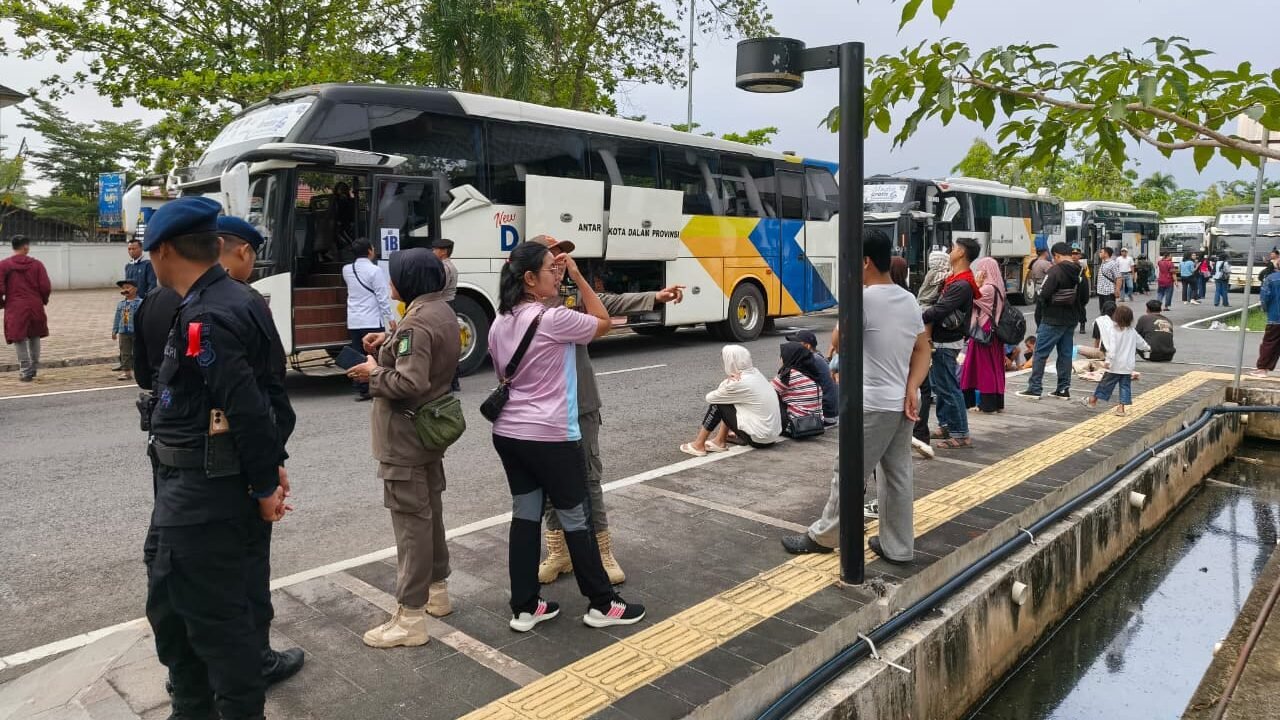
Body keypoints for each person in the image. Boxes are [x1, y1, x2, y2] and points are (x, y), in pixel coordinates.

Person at [140, 197, 296, 720]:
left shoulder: (209, 312)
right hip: (199, 484)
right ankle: (190, 707)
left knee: (212, 622)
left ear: (163, 250)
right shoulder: (233, 298)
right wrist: (270, 466)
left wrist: (263, 486)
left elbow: (250, 407)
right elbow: (274, 395)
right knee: (177, 607)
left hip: (204, 492)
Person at [489, 241, 646, 632]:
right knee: (577, 518)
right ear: (529, 279)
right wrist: (578, 275)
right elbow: (603, 320)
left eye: (560, 270)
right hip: (552, 437)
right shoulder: (552, 318)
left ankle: (525, 607)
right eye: (550, 269)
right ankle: (603, 604)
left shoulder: (498, 322)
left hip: (509, 433)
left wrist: (565, 277)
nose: (556, 274)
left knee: (525, 517)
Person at [531, 235, 684, 586]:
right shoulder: (523, 303)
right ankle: (559, 551)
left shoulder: (572, 292)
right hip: (544, 407)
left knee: (588, 477)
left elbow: (607, 303)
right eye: (552, 257)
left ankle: (602, 551)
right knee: (550, 482)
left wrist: (654, 297)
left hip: (580, 402)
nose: (560, 262)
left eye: (562, 256)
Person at [780, 227, 930, 562]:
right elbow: (923, 350)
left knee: (848, 472)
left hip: (872, 405)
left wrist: (848, 301)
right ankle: (899, 546)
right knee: (897, 475)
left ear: (864, 262)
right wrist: (912, 386)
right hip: (902, 402)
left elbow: (839, 341)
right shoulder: (908, 299)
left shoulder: (861, 300)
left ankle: (825, 536)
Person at [345, 248, 460, 647]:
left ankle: (410, 619)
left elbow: (410, 382)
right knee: (431, 515)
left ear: (408, 279)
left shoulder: (417, 322)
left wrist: (374, 372)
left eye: (392, 274)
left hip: (405, 438)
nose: (388, 281)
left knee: (411, 527)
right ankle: (437, 592)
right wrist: (387, 342)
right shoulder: (442, 310)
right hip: (429, 433)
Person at [921, 237, 979, 449]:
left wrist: (918, 316)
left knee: (948, 388)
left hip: (946, 341)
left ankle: (960, 433)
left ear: (962, 253)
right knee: (942, 386)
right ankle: (946, 425)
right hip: (944, 339)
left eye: (954, 248)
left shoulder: (962, 284)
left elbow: (939, 310)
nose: (950, 251)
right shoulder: (956, 279)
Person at [1018, 242, 1089, 401]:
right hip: (1071, 319)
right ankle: (1063, 389)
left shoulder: (1055, 271)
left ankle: (1034, 388)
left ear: (1056, 255)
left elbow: (1043, 294)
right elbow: (1085, 297)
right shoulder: (1081, 271)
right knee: (1065, 354)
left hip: (1052, 318)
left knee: (1040, 353)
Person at [681, 345, 782, 455]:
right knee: (729, 400)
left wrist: (727, 382)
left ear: (731, 362)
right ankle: (719, 441)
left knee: (718, 404)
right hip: (771, 437)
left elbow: (710, 398)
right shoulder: (756, 374)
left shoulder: (739, 382)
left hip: (759, 440)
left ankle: (698, 445)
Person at [343, 238, 395, 400]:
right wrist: (390, 318)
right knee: (375, 354)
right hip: (371, 319)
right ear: (370, 251)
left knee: (358, 353)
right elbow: (382, 296)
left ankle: (361, 388)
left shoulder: (346, 269)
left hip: (354, 319)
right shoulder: (375, 271)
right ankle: (376, 386)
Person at [959, 256, 1007, 414]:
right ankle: (997, 402)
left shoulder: (987, 288)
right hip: (994, 331)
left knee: (983, 367)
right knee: (995, 367)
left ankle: (987, 404)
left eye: (980, 268)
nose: (978, 271)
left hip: (983, 330)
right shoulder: (999, 287)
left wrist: (977, 283)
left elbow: (969, 299)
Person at [0, 235, 51, 382]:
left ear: (13, 247)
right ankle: (33, 367)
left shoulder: (4, 265)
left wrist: (2, 303)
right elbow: (45, 287)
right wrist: (42, 300)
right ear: (26, 247)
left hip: (14, 306)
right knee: (34, 335)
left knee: (18, 337)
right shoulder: (37, 265)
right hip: (35, 304)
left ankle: (25, 369)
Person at [1083, 304, 1149, 416]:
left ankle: (1092, 401)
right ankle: (1121, 409)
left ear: (1116, 317)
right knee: (1125, 386)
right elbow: (1141, 343)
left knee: (1105, 384)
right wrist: (1148, 348)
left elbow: (1112, 348)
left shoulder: (1113, 331)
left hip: (1114, 366)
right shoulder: (1132, 331)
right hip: (1127, 366)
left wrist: (1109, 361)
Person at [787, 329, 839, 425]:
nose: (793, 346)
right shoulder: (818, 357)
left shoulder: (810, 361)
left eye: (797, 344)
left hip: (826, 415)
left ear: (807, 346)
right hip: (833, 413)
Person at [772, 341, 824, 435]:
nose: (780, 359)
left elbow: (768, 390)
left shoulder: (789, 374)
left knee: (772, 396)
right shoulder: (810, 371)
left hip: (796, 426)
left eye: (782, 356)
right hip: (817, 423)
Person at [1250, 267, 1280, 377]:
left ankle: (1262, 369)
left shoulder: (1271, 279)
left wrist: (1265, 309)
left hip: (1275, 317)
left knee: (1269, 343)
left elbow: (1264, 297)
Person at [112, 279, 142, 382]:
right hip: (123, 331)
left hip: (136, 331)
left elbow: (143, 317)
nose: (125, 290)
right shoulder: (121, 304)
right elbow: (117, 317)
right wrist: (115, 330)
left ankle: (140, 371)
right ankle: (127, 372)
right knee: (125, 352)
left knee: (138, 351)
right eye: (123, 288)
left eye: (128, 287)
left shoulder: (140, 303)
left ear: (135, 289)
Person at [1095, 246, 1121, 319]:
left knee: (1110, 312)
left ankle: (1111, 327)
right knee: (1103, 311)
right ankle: (1104, 327)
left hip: (1109, 292)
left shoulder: (1112, 263)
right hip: (1101, 291)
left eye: (1101, 252)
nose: (1099, 253)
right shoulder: (1103, 263)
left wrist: (1117, 290)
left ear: (1106, 254)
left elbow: (1118, 277)